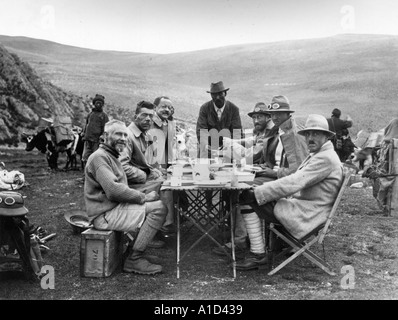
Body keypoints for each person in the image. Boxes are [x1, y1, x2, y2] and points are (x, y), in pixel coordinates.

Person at [235, 114, 343, 270]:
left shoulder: (325, 158)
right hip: (310, 207)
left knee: (249, 198)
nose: (310, 138)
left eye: (316, 133)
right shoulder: (321, 154)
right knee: (255, 195)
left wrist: (257, 193)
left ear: (326, 136)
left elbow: (294, 182)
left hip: (310, 213)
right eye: (307, 134)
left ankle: (258, 254)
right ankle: (264, 249)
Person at [213, 98, 308, 258]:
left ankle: (254, 249)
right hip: (275, 177)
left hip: (286, 184)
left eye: (279, 114)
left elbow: (297, 172)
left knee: (245, 190)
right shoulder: (279, 132)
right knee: (239, 185)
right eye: (273, 114)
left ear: (287, 114)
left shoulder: (294, 135)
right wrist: (264, 168)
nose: (275, 117)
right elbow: (266, 155)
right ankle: (251, 244)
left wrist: (269, 172)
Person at [84, 119, 167, 275]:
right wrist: (142, 197)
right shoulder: (99, 158)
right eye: (118, 134)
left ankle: (133, 251)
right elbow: (113, 190)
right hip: (104, 215)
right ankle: (134, 259)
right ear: (105, 136)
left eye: (124, 134)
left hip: (112, 209)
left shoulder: (110, 155)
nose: (123, 138)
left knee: (157, 202)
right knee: (159, 209)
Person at [119, 101, 176, 237]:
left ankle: (163, 226)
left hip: (139, 181)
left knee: (169, 180)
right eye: (144, 115)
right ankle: (162, 228)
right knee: (165, 187)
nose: (148, 119)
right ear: (135, 116)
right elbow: (121, 167)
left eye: (151, 116)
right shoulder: (128, 136)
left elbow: (146, 162)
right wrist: (147, 174)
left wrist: (157, 170)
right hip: (128, 185)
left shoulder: (144, 135)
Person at [196, 81, 242, 158]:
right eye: (214, 94)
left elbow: (237, 133)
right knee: (203, 168)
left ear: (225, 94)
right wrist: (206, 145)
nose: (217, 97)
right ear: (211, 95)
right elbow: (201, 130)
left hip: (228, 152)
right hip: (208, 151)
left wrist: (229, 148)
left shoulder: (234, 109)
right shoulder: (204, 108)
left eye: (220, 94)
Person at [149, 96, 177, 170]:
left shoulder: (170, 124)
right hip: (152, 169)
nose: (167, 110)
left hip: (166, 168)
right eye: (164, 107)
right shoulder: (149, 123)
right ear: (155, 107)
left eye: (169, 108)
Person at [82, 94, 109, 168]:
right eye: (97, 102)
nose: (98, 104)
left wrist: (102, 137)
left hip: (97, 141)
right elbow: (86, 125)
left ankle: (95, 176)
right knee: (85, 157)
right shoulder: (90, 114)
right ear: (94, 104)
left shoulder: (104, 116)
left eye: (100, 103)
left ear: (102, 105)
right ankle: (86, 175)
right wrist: (84, 133)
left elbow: (106, 128)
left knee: (95, 158)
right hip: (87, 140)